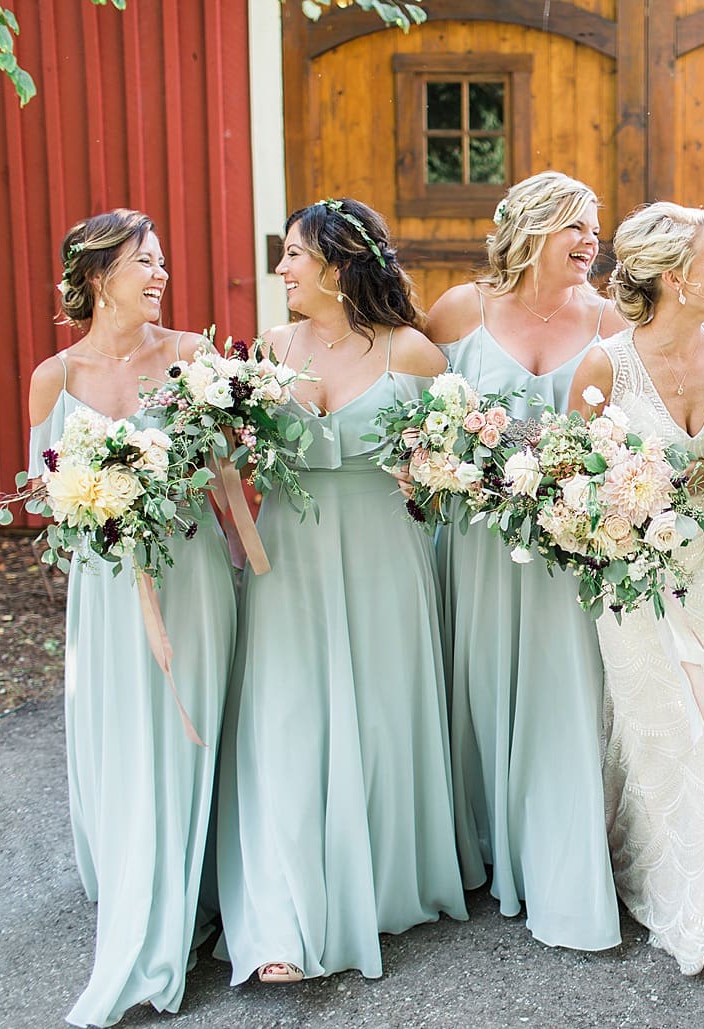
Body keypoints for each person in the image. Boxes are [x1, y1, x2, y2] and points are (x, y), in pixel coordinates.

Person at [214, 198, 465, 985]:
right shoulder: (266, 352)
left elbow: (444, 481)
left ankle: (385, 879)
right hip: (287, 558)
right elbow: (233, 458)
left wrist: (427, 478)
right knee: (282, 724)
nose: (281, 268)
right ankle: (278, 919)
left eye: (293, 254)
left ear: (337, 262)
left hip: (384, 556)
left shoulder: (415, 355)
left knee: (379, 721)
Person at [28, 209, 236, 1026]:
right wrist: (101, 503)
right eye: (143, 263)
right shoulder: (56, 378)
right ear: (94, 276)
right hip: (108, 589)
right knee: (125, 731)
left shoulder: (192, 356)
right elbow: (46, 495)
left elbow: (224, 472)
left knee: (189, 730)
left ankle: (195, 894)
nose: (160, 276)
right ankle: (137, 881)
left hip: (189, 574)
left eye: (162, 263)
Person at [425, 171, 621, 951]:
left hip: (569, 549)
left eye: (595, 228)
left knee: (565, 689)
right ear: (532, 229)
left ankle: (559, 849)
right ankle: (477, 841)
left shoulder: (609, 319)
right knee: (477, 679)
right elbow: (410, 412)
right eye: (576, 226)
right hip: (477, 544)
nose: (590, 242)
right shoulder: (456, 311)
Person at [567, 203, 704, 975]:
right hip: (636, 583)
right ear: (676, 276)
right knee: (650, 727)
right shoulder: (604, 366)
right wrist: (631, 509)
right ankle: (653, 876)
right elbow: (571, 492)